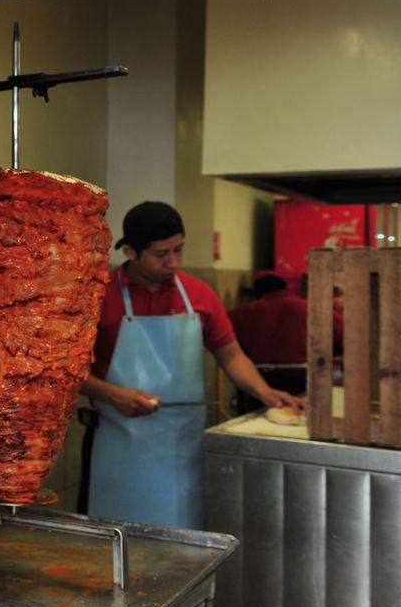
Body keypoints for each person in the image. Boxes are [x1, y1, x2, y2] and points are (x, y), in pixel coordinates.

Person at [79, 202, 304, 529]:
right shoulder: (97, 296)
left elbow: (231, 355)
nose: (174, 262)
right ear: (130, 251)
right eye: (161, 254)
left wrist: (265, 392)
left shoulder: (199, 294)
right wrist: (113, 395)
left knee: (181, 538)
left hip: (183, 446)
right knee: (113, 534)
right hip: (115, 441)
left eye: (179, 250)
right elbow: (67, 372)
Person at [228, 274, 343, 414]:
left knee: (255, 421)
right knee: (302, 421)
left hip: (258, 380)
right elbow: (344, 333)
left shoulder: (241, 313)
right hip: (302, 376)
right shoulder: (310, 308)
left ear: (257, 293)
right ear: (285, 289)